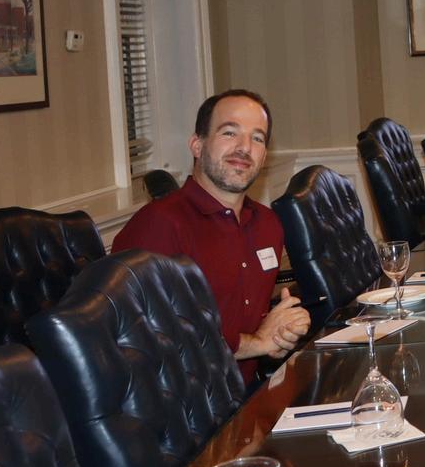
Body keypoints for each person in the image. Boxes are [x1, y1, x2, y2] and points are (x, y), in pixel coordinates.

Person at [112, 89, 309, 382]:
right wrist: (256, 343)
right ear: (197, 145)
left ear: (264, 155)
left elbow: (243, 319)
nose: (244, 148)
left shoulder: (267, 225)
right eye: (229, 133)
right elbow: (147, 340)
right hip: (183, 405)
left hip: (247, 394)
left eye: (257, 138)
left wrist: (279, 332)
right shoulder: (159, 225)